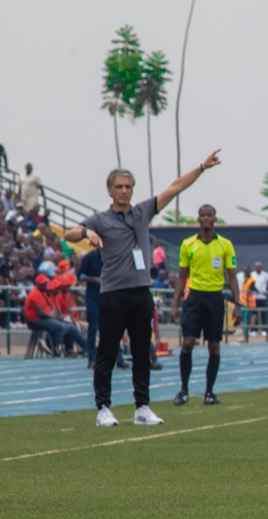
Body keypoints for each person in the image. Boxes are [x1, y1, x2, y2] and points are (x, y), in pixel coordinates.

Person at [64, 149, 221, 427]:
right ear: (110, 191)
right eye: (119, 187)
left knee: (141, 353)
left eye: (128, 187)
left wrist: (201, 168)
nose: (124, 191)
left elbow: (175, 187)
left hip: (141, 293)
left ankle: (142, 407)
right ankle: (103, 408)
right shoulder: (100, 219)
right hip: (113, 294)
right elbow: (69, 233)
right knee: (107, 352)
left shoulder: (142, 212)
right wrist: (87, 232)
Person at [172, 204, 240, 406]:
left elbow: (232, 277)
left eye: (210, 215)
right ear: (198, 219)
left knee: (214, 346)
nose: (207, 218)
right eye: (203, 215)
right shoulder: (188, 244)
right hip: (194, 298)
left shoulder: (225, 245)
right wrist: (175, 303)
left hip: (215, 299)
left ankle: (209, 392)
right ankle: (184, 390)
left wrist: (237, 304)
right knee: (188, 342)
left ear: (215, 219)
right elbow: (182, 276)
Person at [78, 247, 128, 370]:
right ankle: (92, 359)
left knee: (113, 328)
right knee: (93, 328)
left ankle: (119, 359)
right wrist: (93, 279)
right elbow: (80, 275)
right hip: (93, 297)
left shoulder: (112, 256)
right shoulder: (89, 257)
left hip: (109, 296)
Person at [251, 261, 268, 336]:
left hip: (263, 297)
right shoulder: (252, 274)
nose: (258, 268)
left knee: (264, 314)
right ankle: (253, 330)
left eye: (259, 267)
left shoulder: (265, 275)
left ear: (261, 267)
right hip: (254, 298)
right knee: (254, 315)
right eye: (257, 267)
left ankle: (264, 330)